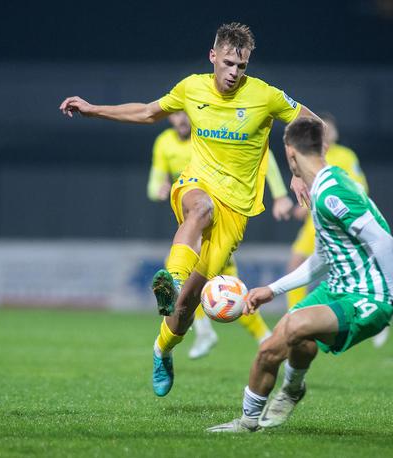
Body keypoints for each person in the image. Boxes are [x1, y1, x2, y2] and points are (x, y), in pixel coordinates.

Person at [60, 22, 322, 397]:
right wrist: (93, 110)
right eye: (229, 63)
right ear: (213, 57)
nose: (234, 72)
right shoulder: (191, 87)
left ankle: (162, 348)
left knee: (183, 311)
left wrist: (299, 171)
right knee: (199, 209)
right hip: (196, 185)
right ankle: (174, 278)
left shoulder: (265, 96)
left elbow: (310, 122)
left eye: (242, 66)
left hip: (236, 210)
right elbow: (149, 112)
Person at [207, 118, 393, 433]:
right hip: (337, 289)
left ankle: (285, 392)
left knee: (294, 326)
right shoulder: (322, 188)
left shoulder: (332, 191)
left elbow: (382, 240)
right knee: (272, 345)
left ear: (290, 154)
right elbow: (323, 256)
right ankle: (252, 418)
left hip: (369, 298)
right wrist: (272, 290)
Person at [148, 111, 294, 359]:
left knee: (217, 290)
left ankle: (211, 333)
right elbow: (153, 183)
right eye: (177, 115)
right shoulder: (164, 142)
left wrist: (280, 194)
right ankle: (258, 338)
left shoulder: (209, 134)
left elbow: (262, 153)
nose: (183, 120)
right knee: (221, 289)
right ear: (171, 118)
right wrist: (158, 190)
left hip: (221, 218)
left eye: (187, 114)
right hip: (193, 216)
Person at [286, 113, 389, 348]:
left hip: (339, 219)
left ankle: (380, 310)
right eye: (322, 130)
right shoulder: (308, 155)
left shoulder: (344, 156)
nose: (326, 134)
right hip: (315, 220)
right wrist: (303, 205)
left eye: (329, 130)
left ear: (335, 133)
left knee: (359, 271)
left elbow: (358, 186)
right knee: (295, 264)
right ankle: (294, 314)